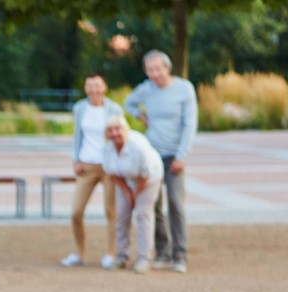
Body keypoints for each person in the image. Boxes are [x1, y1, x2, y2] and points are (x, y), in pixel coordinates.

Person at [123, 50, 198, 273]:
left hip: (175, 155)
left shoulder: (184, 88)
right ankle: (162, 251)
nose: (154, 74)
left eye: (158, 69)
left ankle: (179, 253)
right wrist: (141, 116)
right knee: (152, 204)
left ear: (168, 68)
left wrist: (181, 155)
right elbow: (129, 103)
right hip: (152, 155)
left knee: (175, 202)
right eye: (150, 70)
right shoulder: (146, 89)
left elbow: (190, 124)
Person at [61, 72, 123, 269]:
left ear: (104, 87)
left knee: (111, 212)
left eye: (97, 85)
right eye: (89, 86)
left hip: (109, 167)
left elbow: (121, 137)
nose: (93, 90)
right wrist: (76, 159)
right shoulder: (80, 108)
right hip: (86, 165)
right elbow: (77, 136)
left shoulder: (114, 109)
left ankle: (112, 254)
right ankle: (80, 254)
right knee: (76, 212)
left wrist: (119, 163)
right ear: (85, 88)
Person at [101, 115, 164, 274]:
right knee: (122, 215)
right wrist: (127, 192)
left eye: (118, 129)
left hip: (149, 179)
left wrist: (135, 194)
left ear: (125, 130)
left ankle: (144, 259)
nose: (114, 133)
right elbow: (111, 174)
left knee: (143, 215)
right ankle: (121, 257)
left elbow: (145, 175)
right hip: (125, 180)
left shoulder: (138, 146)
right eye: (110, 130)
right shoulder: (107, 149)